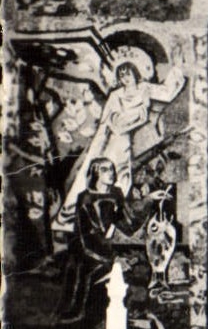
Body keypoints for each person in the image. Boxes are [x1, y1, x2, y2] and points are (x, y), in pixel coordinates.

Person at [58, 49, 186, 223]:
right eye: (122, 75)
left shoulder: (145, 89)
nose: (126, 78)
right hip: (112, 140)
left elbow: (166, 92)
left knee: (122, 176)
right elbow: (109, 121)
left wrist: (177, 69)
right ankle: (87, 214)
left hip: (124, 142)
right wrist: (130, 118)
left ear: (136, 72)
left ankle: (112, 216)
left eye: (129, 73)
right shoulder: (116, 95)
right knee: (103, 175)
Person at [50, 159, 152, 329]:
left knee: (139, 272)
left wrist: (148, 200)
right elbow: (89, 238)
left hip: (110, 253)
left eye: (112, 169)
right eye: (105, 170)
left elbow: (128, 224)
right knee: (96, 292)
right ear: (95, 173)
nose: (111, 173)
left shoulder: (116, 194)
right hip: (89, 256)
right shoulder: (86, 199)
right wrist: (113, 261)